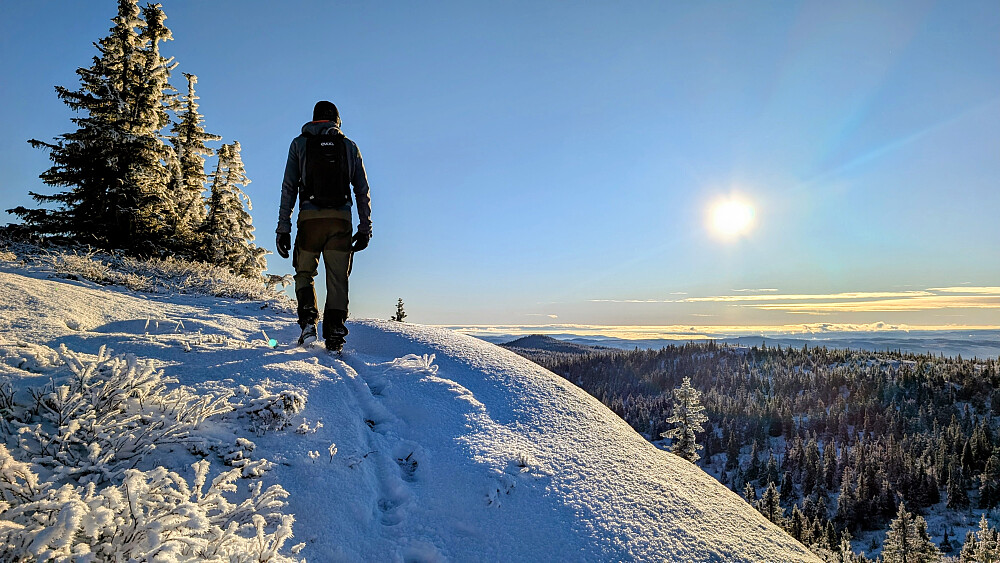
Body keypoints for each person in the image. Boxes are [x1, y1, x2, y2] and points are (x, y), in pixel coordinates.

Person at [275, 101, 372, 352]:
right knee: (338, 278)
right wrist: (365, 228)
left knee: (304, 273)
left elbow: (289, 187)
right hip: (341, 222)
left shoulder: (299, 144)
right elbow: (362, 190)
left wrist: (283, 227)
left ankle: (308, 323)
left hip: (310, 221)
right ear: (337, 121)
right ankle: (335, 332)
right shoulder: (349, 147)